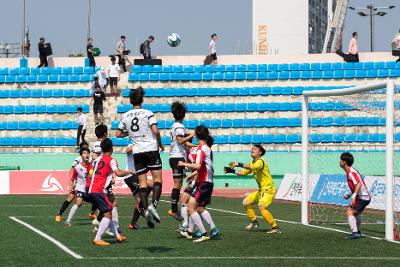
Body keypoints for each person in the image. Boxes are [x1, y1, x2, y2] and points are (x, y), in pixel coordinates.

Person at [116, 86, 164, 228]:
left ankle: (144, 207)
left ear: (131, 101)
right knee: (157, 180)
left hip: (137, 152)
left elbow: (118, 134)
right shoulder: (148, 113)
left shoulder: (125, 115)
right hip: (150, 149)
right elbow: (155, 131)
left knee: (142, 184)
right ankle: (153, 206)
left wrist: (129, 134)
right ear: (142, 99)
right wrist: (160, 144)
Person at [224, 144, 282, 234]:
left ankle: (275, 227)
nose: (252, 150)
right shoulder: (252, 162)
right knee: (245, 202)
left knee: (261, 207)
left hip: (268, 190)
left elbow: (252, 167)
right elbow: (244, 173)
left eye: (255, 149)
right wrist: (232, 171)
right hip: (261, 190)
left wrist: (238, 164)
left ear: (260, 152)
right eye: (252, 149)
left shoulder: (261, 161)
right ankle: (254, 222)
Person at [177, 125, 219, 242]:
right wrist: (193, 174)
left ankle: (203, 233)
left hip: (203, 182)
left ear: (195, 136)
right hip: (206, 182)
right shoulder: (207, 148)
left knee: (191, 208)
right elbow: (205, 167)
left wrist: (183, 164)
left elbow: (198, 165)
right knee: (194, 207)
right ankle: (193, 231)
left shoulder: (200, 149)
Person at [89, 138, 134, 245]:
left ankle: (117, 236)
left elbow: (90, 174)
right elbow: (118, 173)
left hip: (92, 189)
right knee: (108, 214)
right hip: (100, 190)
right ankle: (97, 238)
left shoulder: (97, 160)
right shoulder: (111, 160)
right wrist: (130, 172)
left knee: (108, 212)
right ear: (111, 148)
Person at [168, 102, 195, 221]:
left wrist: (197, 144)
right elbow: (180, 141)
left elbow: (184, 143)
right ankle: (173, 210)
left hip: (177, 157)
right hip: (177, 157)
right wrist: (193, 134)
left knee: (179, 184)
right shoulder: (179, 127)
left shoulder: (174, 125)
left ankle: (176, 208)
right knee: (177, 185)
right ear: (183, 115)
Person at [339, 152, 371, 240]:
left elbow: (359, 184)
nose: (339, 162)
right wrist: (350, 194)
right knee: (355, 213)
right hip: (364, 196)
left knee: (350, 212)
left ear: (344, 162)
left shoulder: (351, 172)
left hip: (362, 197)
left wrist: (353, 197)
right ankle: (357, 232)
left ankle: (355, 233)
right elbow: (356, 185)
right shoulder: (351, 171)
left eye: (341, 160)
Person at [64, 147, 93, 226]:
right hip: (80, 189)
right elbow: (72, 179)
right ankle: (68, 220)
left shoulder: (92, 166)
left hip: (90, 190)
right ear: (81, 156)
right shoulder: (77, 168)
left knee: (99, 203)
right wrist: (70, 186)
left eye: (88, 153)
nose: (86, 155)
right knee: (79, 202)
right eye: (84, 153)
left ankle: (100, 221)